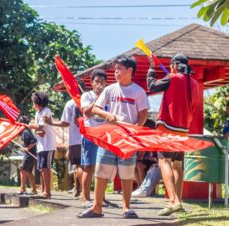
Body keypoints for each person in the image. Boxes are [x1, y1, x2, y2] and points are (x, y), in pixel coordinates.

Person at [78, 56, 149, 219]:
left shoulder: (138, 91)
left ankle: (126, 208)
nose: (116, 72)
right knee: (101, 171)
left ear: (129, 71)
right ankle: (97, 207)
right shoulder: (110, 89)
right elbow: (95, 109)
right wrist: (107, 115)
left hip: (128, 139)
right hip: (109, 137)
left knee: (127, 173)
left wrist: (134, 132)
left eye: (119, 69)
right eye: (115, 69)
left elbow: (143, 115)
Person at [147, 53, 198, 216]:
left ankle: (174, 201)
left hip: (167, 126)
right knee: (177, 164)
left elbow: (152, 86)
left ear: (175, 65)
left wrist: (151, 68)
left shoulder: (172, 77)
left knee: (163, 161)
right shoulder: (195, 83)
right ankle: (177, 202)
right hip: (183, 129)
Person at [45, 83, 84, 198]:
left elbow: (65, 123)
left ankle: (83, 193)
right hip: (90, 138)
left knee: (79, 166)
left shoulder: (70, 103)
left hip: (76, 139)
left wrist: (51, 122)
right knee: (89, 167)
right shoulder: (90, 100)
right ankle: (80, 190)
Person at [79, 69, 107, 208]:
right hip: (90, 133)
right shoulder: (86, 96)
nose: (99, 84)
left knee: (103, 167)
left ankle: (101, 197)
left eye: (102, 82)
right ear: (91, 82)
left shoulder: (108, 95)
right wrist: (97, 99)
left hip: (104, 135)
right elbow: (87, 113)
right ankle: (85, 197)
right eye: (96, 81)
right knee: (88, 166)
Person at [28, 91, 57, 199]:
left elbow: (40, 126)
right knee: (41, 168)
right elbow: (39, 130)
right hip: (41, 145)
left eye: (34, 102)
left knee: (46, 168)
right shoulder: (37, 113)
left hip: (48, 144)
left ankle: (47, 192)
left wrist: (32, 127)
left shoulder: (46, 111)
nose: (33, 104)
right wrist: (36, 130)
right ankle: (43, 190)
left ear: (38, 102)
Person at [17, 116, 38, 195]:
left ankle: (23, 189)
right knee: (28, 171)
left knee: (22, 169)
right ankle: (33, 189)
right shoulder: (24, 131)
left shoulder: (26, 131)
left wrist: (27, 148)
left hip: (30, 154)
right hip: (31, 153)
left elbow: (34, 141)